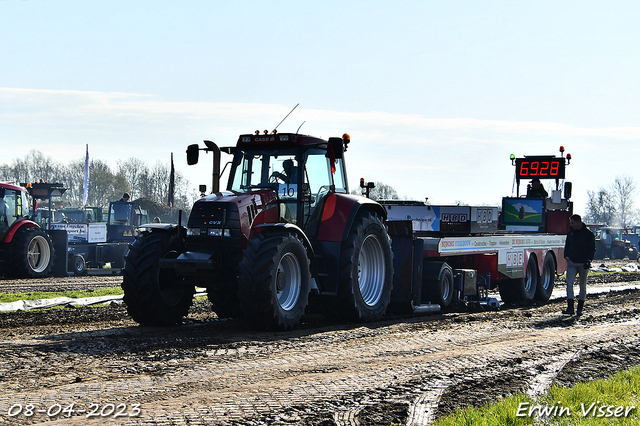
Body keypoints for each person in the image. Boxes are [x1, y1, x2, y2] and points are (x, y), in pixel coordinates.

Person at [562, 214, 596, 316]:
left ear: (578, 222)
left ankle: (580, 308)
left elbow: (592, 249)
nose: (571, 225)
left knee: (582, 285)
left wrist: (588, 261)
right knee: (569, 283)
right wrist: (566, 255)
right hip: (572, 262)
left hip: (583, 264)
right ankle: (570, 307)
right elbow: (567, 245)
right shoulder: (571, 233)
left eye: (572, 223)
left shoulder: (588, 234)